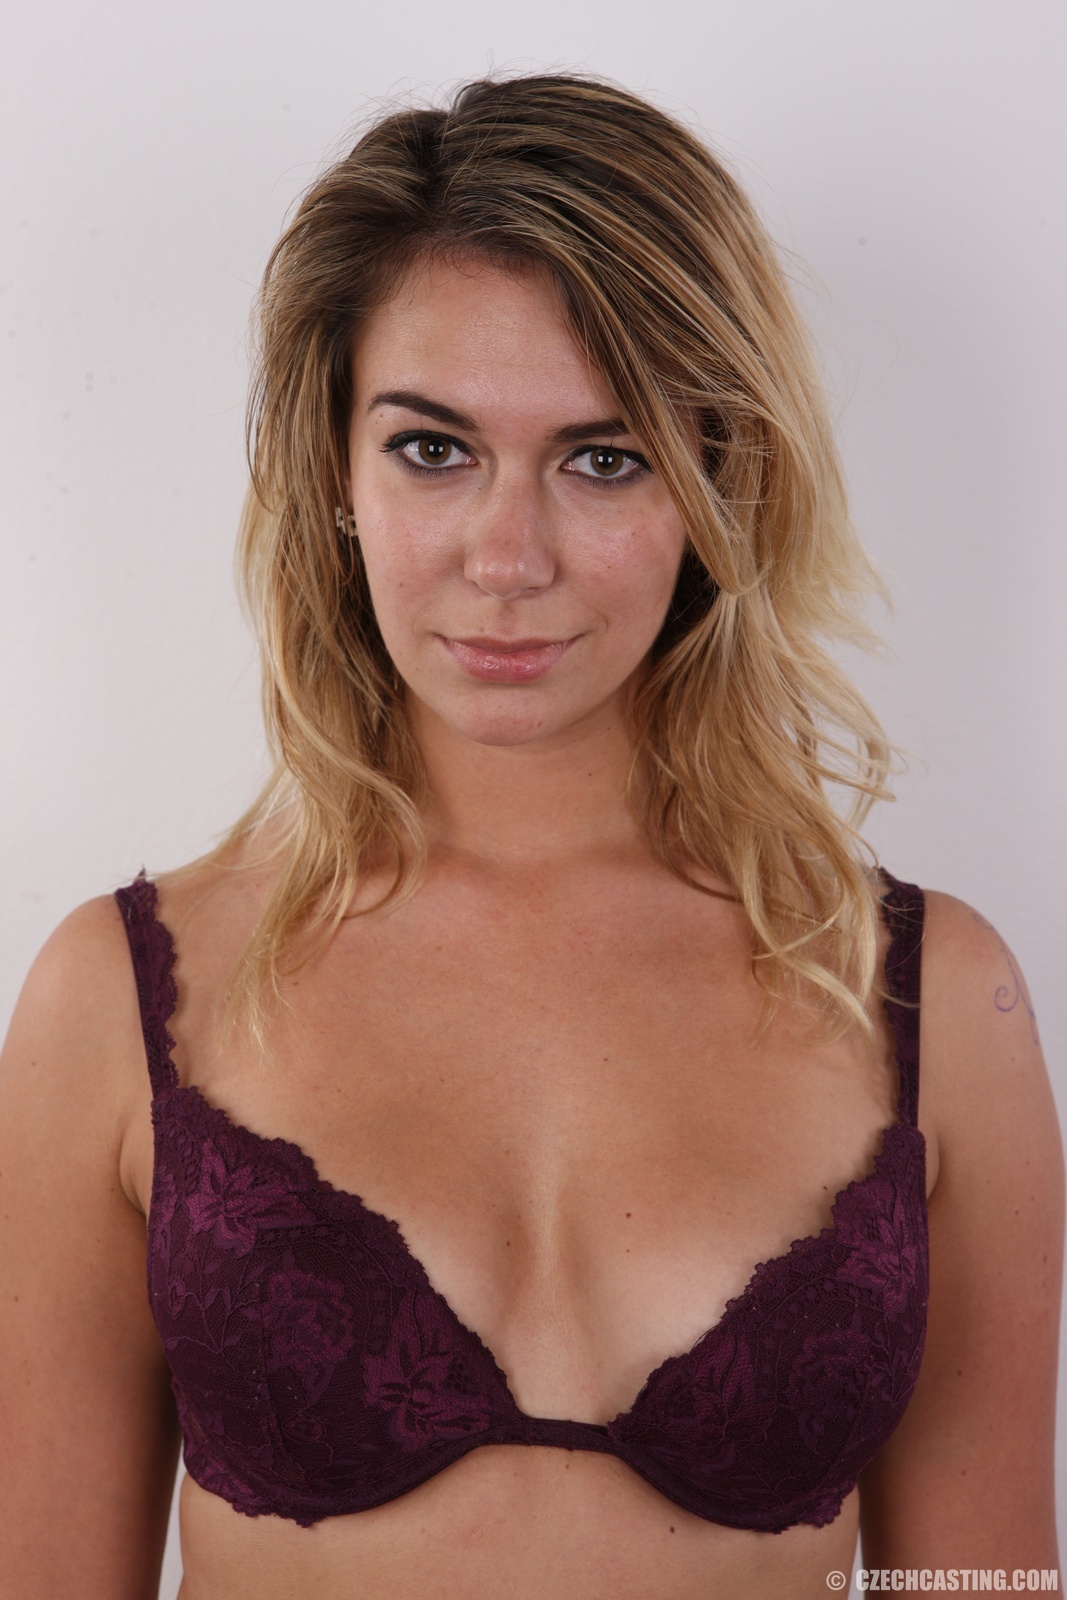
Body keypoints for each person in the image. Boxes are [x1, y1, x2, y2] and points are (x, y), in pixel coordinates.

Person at [0, 72, 1060, 1600]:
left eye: (604, 458)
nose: (507, 558)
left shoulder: (933, 1001)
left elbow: (983, 1589)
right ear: (336, 473)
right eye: (434, 449)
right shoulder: (115, 1003)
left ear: (718, 485)